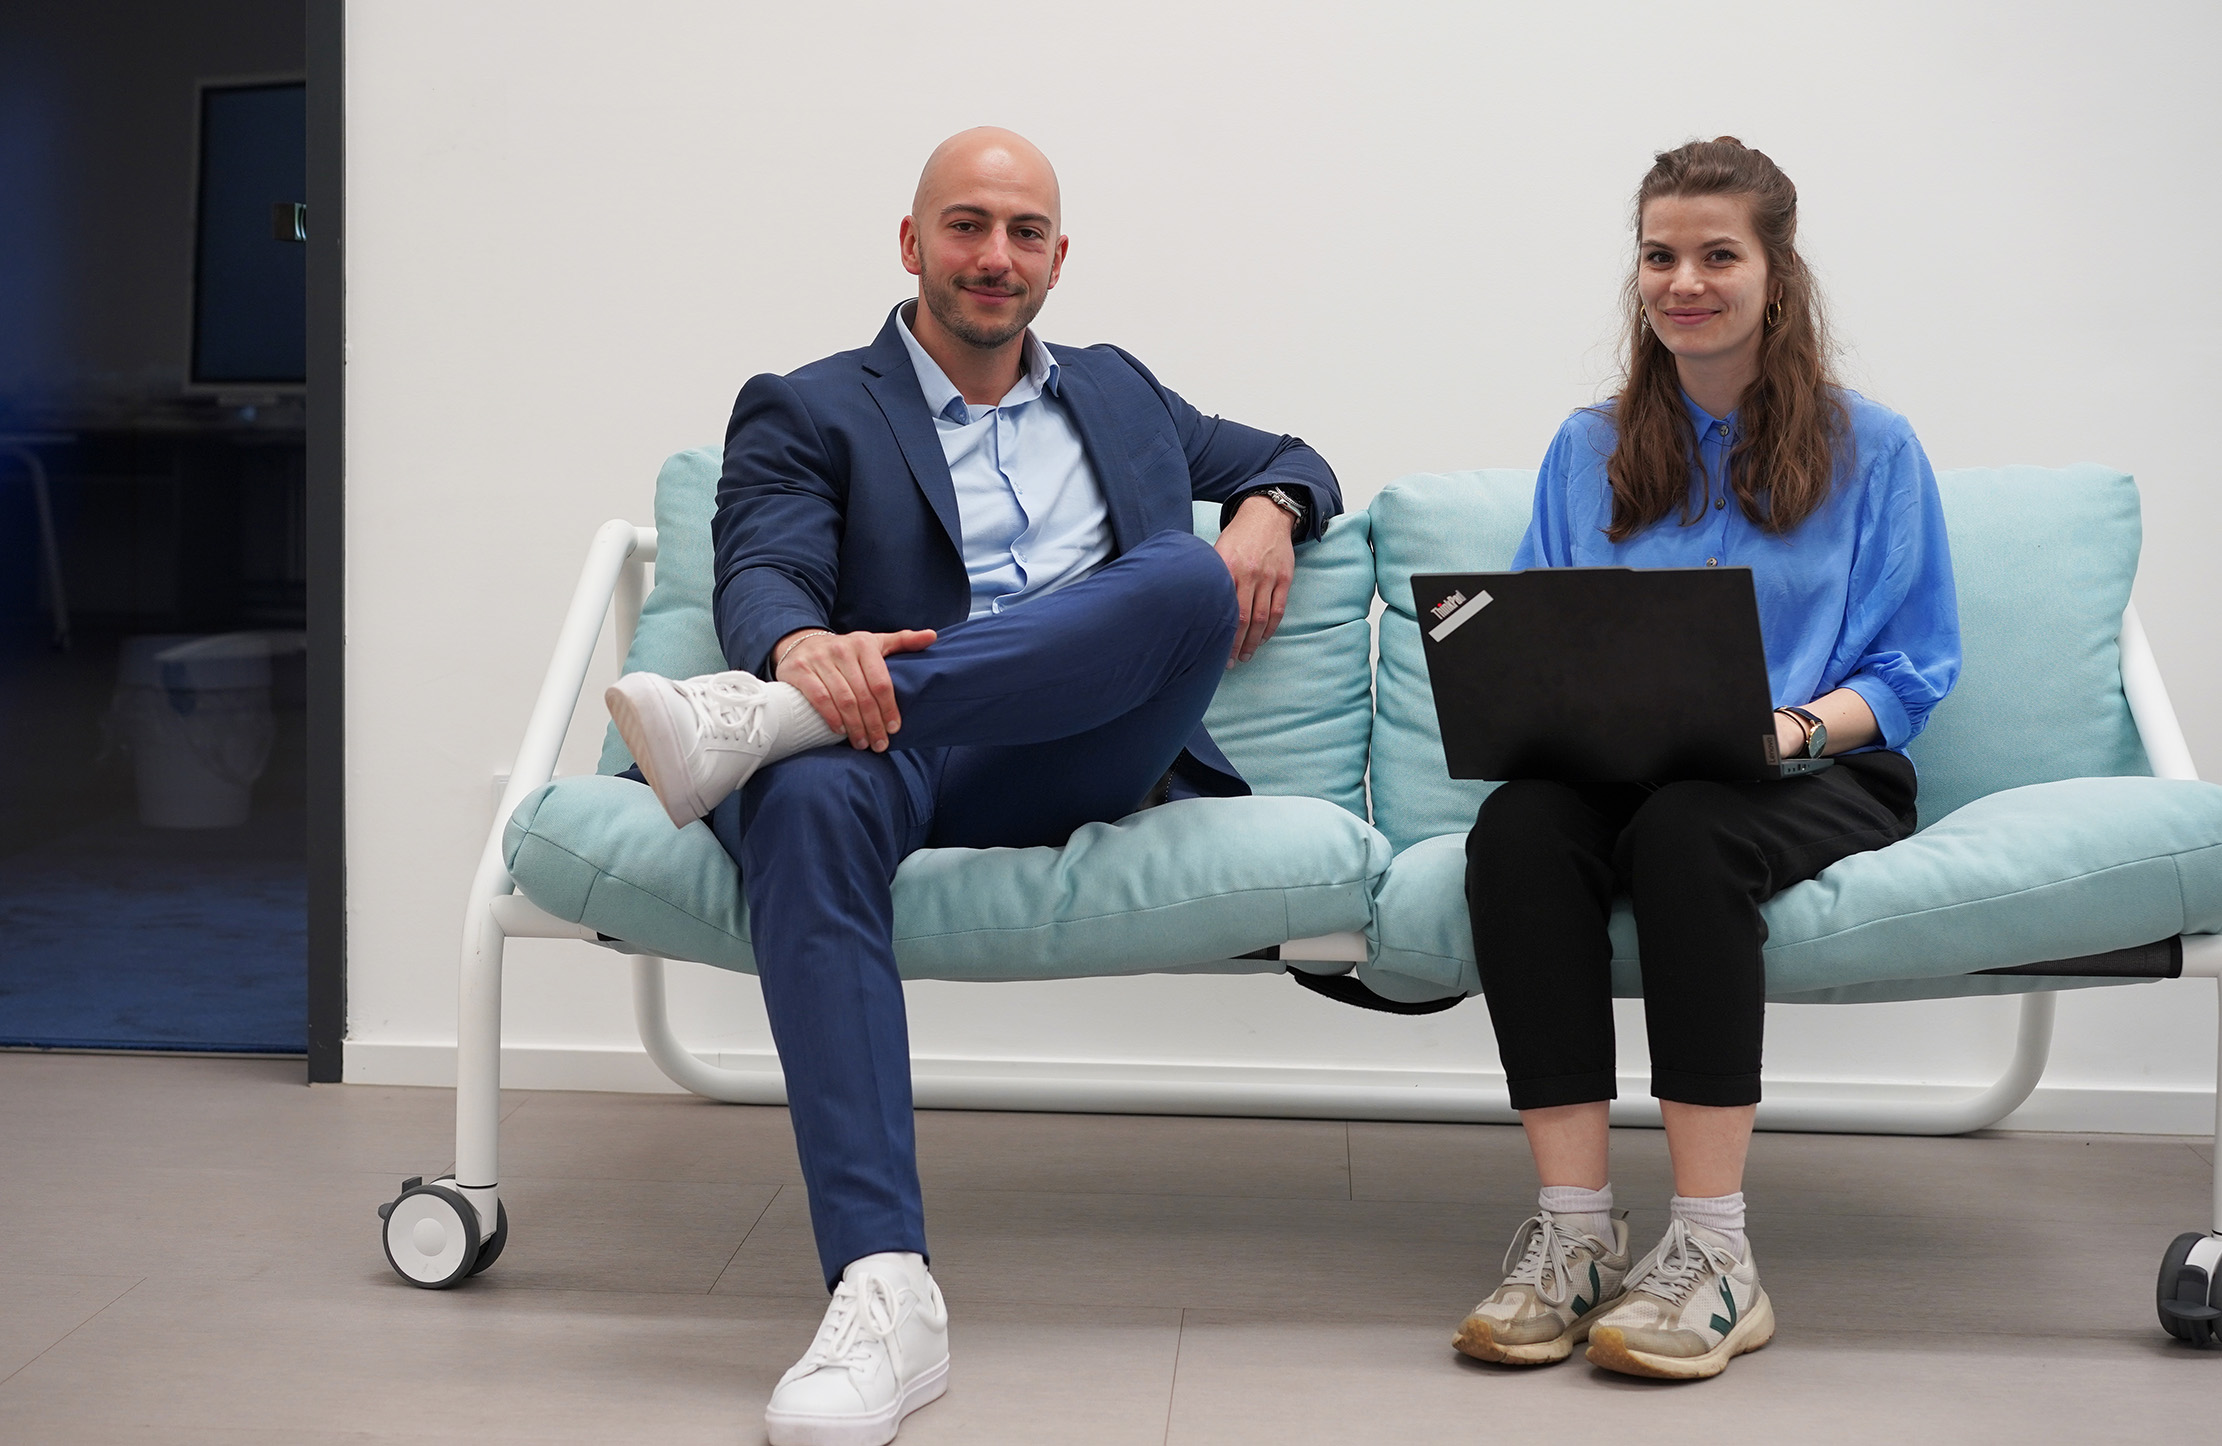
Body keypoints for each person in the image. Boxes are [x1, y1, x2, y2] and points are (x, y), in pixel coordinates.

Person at [605, 128, 1339, 1445]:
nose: (992, 256)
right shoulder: (809, 402)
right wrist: (791, 650)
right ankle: (884, 1287)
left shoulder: (1121, 394)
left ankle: (754, 724)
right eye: (964, 225)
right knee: (805, 799)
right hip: (872, 757)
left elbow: (1294, 450)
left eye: (1022, 231)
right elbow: (763, 564)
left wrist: (1270, 508)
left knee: (1179, 578)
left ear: (1058, 258)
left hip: (1063, 754)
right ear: (911, 244)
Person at [1451, 137, 1959, 1381]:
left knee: (1687, 829)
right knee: (1516, 827)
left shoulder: (1873, 448)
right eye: (1658, 255)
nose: (1683, 280)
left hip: (1811, 768)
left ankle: (1716, 1252)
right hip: (1625, 766)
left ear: (1775, 275)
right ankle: (1573, 1237)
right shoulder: (1589, 447)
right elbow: (1540, 631)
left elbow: (1910, 669)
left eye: (1715, 254)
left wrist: (1786, 729)